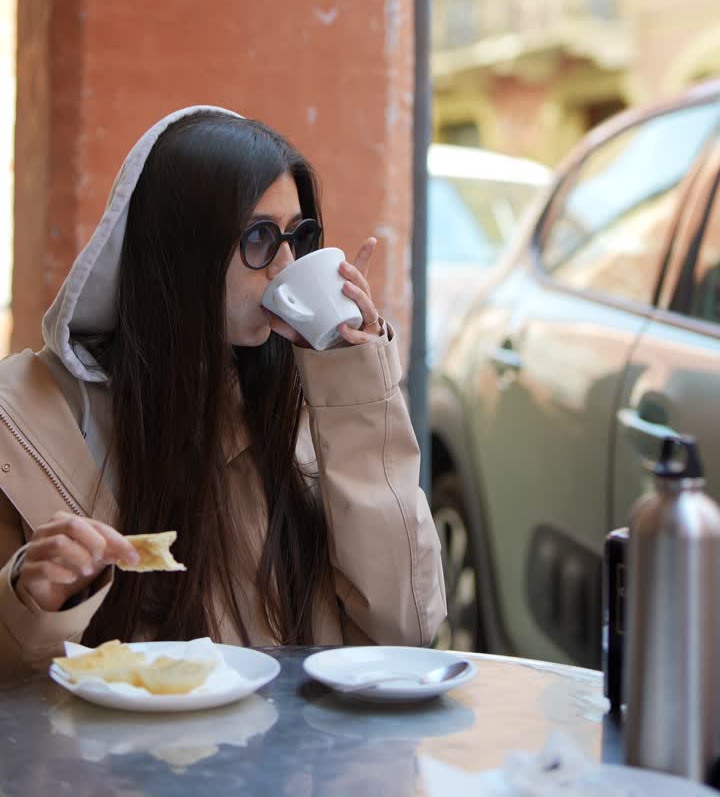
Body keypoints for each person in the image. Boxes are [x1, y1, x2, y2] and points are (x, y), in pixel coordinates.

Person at [0, 107, 445, 676]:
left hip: (300, 757)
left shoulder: (309, 399)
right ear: (182, 250)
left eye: (298, 237)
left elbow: (408, 625)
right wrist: (33, 598)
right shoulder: (36, 418)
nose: (286, 266)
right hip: (112, 760)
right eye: (260, 237)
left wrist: (353, 382)